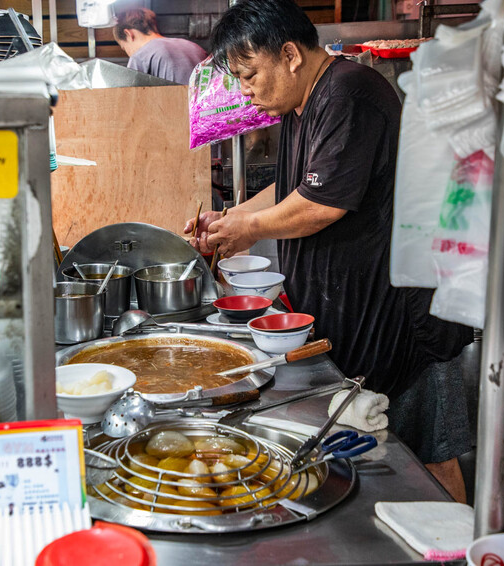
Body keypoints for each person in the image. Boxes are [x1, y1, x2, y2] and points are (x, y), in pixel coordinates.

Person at [184, 0, 473, 503]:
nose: (248, 89)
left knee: (430, 452)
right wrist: (229, 220)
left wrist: (249, 228)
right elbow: (290, 187)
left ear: (291, 54)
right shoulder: (302, 103)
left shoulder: (349, 93)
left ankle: (461, 554)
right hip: (355, 308)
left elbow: (321, 203)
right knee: (386, 451)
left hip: (402, 313)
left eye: (251, 74)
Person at [113, 8, 208, 85]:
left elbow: (131, 98)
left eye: (124, 47)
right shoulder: (194, 47)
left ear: (128, 34)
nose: (128, 54)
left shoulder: (140, 56)